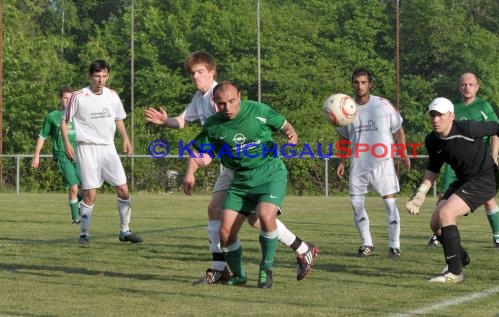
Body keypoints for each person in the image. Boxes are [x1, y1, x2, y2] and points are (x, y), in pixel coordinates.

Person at [144, 51, 318, 284]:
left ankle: (222, 267)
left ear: (212, 72)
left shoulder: (220, 96)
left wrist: (202, 161)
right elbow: (186, 124)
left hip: (244, 166)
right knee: (247, 218)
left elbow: (230, 133)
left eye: (200, 71)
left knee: (245, 215)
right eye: (192, 73)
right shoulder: (200, 97)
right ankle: (299, 249)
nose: (195, 76)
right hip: (232, 164)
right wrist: (166, 122)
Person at [405, 97, 499, 283]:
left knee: (447, 214)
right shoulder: (432, 140)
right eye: (432, 115)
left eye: (440, 115)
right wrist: (420, 195)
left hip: (486, 178)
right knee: (435, 223)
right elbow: (432, 169)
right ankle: (460, 257)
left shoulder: (468, 128)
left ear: (451, 116)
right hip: (464, 180)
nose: (435, 119)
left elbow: (498, 128)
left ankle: (455, 272)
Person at [183, 81, 298, 289]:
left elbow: (283, 124)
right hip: (241, 179)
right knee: (225, 233)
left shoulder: (258, 110)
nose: (226, 108)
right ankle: (239, 274)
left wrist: (292, 133)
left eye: (231, 101)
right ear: (214, 103)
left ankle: (266, 269)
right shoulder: (214, 125)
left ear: (240, 96)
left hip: (269, 172)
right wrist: (195, 167)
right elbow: (202, 150)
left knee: (265, 215)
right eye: (221, 104)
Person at [62, 59, 142, 245]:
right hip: (87, 149)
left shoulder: (112, 95)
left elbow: (118, 119)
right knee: (90, 194)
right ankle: (84, 234)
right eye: (97, 76)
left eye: (104, 76)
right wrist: (67, 143)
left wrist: (126, 139)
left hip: (108, 148)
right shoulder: (79, 96)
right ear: (90, 76)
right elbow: (64, 121)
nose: (101, 79)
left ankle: (125, 231)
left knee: (123, 189)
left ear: (108, 76)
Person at [336, 68, 411, 258]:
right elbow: (343, 137)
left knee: (390, 205)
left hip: (383, 163)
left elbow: (399, 130)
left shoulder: (382, 105)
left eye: (363, 82)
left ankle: (394, 245)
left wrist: (402, 153)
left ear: (370, 84)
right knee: (356, 203)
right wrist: (342, 161)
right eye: (356, 82)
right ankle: (367, 244)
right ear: (352, 84)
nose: (360, 86)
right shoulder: (346, 109)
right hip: (358, 164)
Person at [427, 72, 499, 248]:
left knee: (488, 198)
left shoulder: (484, 106)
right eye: (464, 84)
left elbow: (496, 131)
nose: (467, 87)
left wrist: (494, 155)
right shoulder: (452, 108)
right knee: (444, 196)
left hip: (478, 162)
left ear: (477, 87)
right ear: (459, 87)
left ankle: (498, 236)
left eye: (471, 84)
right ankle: (439, 232)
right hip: (454, 162)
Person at [32, 86, 82, 224]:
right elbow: (42, 136)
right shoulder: (52, 116)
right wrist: (37, 155)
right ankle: (76, 217)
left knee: (87, 186)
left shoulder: (78, 115)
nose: (68, 101)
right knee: (73, 186)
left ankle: (79, 202)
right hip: (62, 155)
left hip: (80, 154)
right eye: (65, 98)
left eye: (70, 98)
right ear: (60, 98)